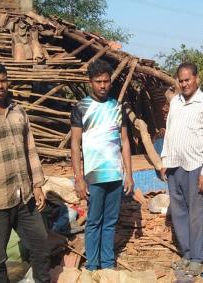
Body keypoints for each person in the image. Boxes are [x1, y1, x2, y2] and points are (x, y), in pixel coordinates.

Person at [0, 61, 50, 283]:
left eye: (3, 80)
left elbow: (30, 149)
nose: (0, 85)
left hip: (25, 197)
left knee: (41, 247)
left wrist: (37, 184)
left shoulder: (18, 111)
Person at [71, 59, 134, 276]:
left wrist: (129, 174)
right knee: (94, 221)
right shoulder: (81, 108)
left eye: (106, 81)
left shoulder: (118, 107)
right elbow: (75, 143)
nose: (102, 85)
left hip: (115, 175)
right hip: (94, 176)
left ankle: (107, 264)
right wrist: (78, 177)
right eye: (98, 81)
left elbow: (125, 141)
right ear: (90, 82)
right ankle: (91, 265)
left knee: (110, 222)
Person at [160, 62, 203, 276]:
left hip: (195, 167)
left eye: (188, 80)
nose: (184, 84)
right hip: (174, 165)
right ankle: (186, 253)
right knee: (179, 213)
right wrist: (164, 159)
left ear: (197, 79)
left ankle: (197, 258)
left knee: (195, 214)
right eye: (181, 80)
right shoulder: (175, 102)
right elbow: (169, 132)